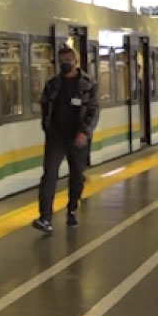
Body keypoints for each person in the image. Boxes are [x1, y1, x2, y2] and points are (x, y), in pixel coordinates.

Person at [32, 46, 99, 233]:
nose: (65, 64)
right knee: (49, 176)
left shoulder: (88, 84)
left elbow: (93, 110)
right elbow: (45, 105)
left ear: (75, 61)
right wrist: (47, 127)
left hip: (78, 138)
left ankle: (72, 209)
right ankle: (45, 217)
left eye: (68, 60)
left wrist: (84, 132)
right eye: (61, 61)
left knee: (77, 175)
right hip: (56, 137)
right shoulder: (52, 84)